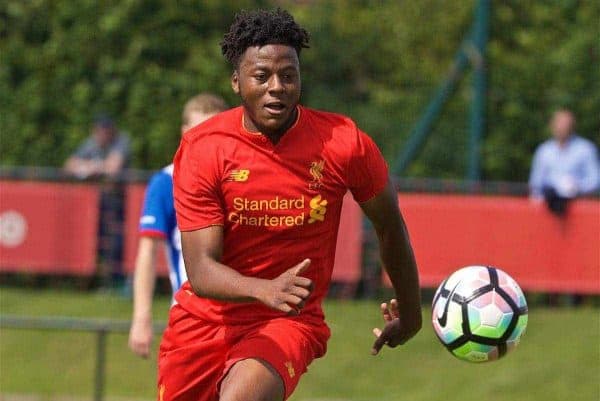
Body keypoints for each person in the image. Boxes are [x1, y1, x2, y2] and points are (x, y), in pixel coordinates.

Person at [159, 9, 422, 401]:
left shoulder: (343, 143)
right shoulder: (204, 148)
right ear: (236, 82)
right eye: (262, 76)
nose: (277, 87)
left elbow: (389, 225)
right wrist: (263, 288)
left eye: (289, 75)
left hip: (287, 320)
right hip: (202, 322)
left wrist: (413, 315)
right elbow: (200, 270)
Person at [128, 93, 228, 358]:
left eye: (214, 134)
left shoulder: (243, 182)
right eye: (198, 133)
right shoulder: (166, 183)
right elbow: (147, 254)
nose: (205, 143)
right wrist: (141, 317)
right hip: (192, 318)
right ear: (184, 133)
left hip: (242, 318)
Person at [64, 115, 131, 288]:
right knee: (94, 241)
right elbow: (69, 165)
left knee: (118, 242)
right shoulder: (91, 144)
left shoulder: (121, 141)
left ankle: (117, 282)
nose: (102, 134)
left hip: (119, 203)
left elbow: (113, 168)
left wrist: (90, 167)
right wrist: (95, 167)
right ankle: (93, 281)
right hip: (97, 204)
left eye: (106, 130)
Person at [529, 109, 600, 215]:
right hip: (549, 208)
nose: (561, 128)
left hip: (578, 207)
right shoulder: (544, 151)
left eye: (565, 125)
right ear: (552, 125)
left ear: (572, 127)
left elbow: (595, 180)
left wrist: (576, 188)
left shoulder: (586, 149)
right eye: (559, 124)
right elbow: (536, 184)